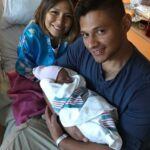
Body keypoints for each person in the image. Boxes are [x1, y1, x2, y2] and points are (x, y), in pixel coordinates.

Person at [44, 0, 150, 149]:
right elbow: (48, 77)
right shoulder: (82, 47)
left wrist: (62, 141)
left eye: (101, 31)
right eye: (85, 34)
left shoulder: (143, 88)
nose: (91, 43)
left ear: (125, 24)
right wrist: (68, 123)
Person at [33, 65, 122, 150]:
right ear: (54, 84)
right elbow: (49, 91)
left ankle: (107, 131)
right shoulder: (56, 89)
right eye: (64, 78)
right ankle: (107, 135)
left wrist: (61, 140)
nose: (69, 78)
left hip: (93, 105)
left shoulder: (71, 76)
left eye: (68, 75)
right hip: (78, 117)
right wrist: (64, 120)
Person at [15, 0, 77, 80]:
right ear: (43, 12)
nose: (60, 22)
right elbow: (23, 68)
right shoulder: (31, 34)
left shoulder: (73, 37)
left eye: (68, 16)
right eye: (54, 12)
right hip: (33, 81)